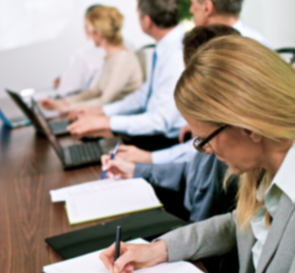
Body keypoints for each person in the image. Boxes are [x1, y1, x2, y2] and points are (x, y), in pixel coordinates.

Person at [99, 36, 295, 273]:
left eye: (205, 139)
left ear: (249, 126)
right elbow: (241, 225)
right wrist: (159, 249)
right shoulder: (276, 157)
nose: (207, 151)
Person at [101, 24, 241, 223]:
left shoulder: (223, 148)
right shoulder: (213, 139)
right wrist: (138, 169)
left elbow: (203, 225)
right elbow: (191, 172)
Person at [117, 0, 274, 165]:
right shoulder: (247, 42)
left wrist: (150, 158)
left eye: (193, 4)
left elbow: (220, 139)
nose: (190, 9)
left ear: (207, 7)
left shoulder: (233, 53)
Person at [66, 0, 186, 148]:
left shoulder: (176, 55)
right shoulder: (165, 48)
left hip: (167, 141)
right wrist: (102, 112)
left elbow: (161, 121)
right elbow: (143, 97)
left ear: (147, 21)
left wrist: (107, 121)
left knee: (95, 149)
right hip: (154, 133)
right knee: (91, 141)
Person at [40, 5, 143, 113]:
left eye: (88, 29)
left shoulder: (123, 59)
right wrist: (64, 102)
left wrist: (68, 108)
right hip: (110, 115)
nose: (86, 33)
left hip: (120, 119)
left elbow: (104, 101)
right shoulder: (110, 57)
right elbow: (94, 91)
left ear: (98, 34)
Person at [52, 4, 106, 97]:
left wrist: (64, 83)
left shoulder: (82, 55)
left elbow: (67, 91)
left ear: (87, 28)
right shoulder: (128, 46)